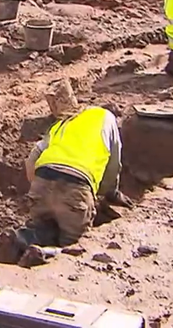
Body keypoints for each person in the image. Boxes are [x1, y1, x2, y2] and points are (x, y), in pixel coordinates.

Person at [23, 106, 132, 247]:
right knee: (72, 245)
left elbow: (31, 159)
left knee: (40, 232)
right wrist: (110, 194)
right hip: (76, 188)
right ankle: (49, 252)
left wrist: (39, 187)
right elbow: (113, 166)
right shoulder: (107, 118)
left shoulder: (64, 122)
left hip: (41, 183)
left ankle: (23, 241)